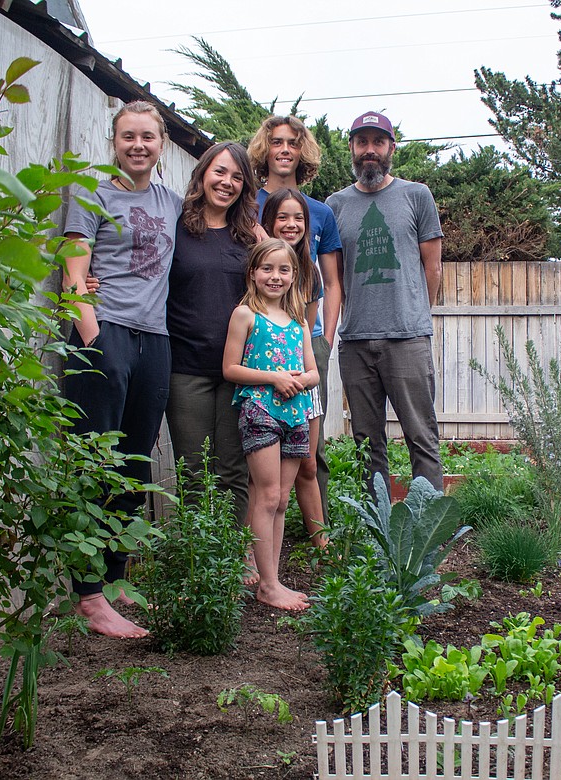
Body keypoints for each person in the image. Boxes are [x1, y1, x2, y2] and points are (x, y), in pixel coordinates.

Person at [61, 101, 181, 638]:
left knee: (134, 465)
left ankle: (114, 578)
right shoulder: (91, 194)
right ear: (114, 141)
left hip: (153, 341)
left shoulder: (172, 203)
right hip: (103, 335)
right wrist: (93, 340)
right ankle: (88, 596)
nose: (138, 145)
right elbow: (73, 273)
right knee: (95, 461)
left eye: (148, 137)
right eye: (128, 136)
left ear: (161, 144)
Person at [323, 111, 444, 492]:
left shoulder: (416, 195)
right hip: (356, 341)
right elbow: (335, 277)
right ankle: (376, 535)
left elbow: (433, 267)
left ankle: (428, 529)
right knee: (366, 444)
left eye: (378, 142)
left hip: (407, 339)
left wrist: (416, 317)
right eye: (362, 142)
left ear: (392, 148)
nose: (369, 150)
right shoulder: (335, 205)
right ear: (352, 149)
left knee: (421, 438)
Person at [248, 116, 341, 542]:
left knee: (308, 452)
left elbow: (327, 285)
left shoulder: (320, 212)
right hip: (260, 346)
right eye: (276, 142)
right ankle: (256, 544)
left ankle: (314, 536)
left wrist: (322, 339)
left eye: (293, 142)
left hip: (305, 343)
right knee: (258, 445)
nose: (285, 149)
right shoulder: (248, 206)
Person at [166, 142, 263, 534]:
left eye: (237, 177)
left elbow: (276, 288)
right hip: (185, 367)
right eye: (220, 172)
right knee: (191, 472)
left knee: (233, 471)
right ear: (203, 173)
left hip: (238, 371)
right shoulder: (176, 225)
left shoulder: (250, 236)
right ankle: (196, 558)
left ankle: (229, 554)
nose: (227, 182)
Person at [223, 238, 319, 610]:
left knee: (281, 500)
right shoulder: (246, 314)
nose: (275, 277)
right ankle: (268, 583)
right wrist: (273, 378)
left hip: (296, 414)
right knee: (265, 496)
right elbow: (230, 368)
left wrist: (298, 379)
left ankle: (271, 579)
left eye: (283, 270)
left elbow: (313, 372)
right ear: (252, 273)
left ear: (294, 276)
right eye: (267, 269)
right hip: (260, 410)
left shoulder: (298, 322)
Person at [259, 189, 328, 547]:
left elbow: (305, 331)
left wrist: (304, 377)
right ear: (268, 221)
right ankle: (254, 553)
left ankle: (323, 549)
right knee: (265, 482)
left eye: (298, 218)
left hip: (302, 380)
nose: (291, 224)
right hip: (262, 384)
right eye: (282, 217)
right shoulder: (255, 268)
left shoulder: (309, 273)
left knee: (309, 463)